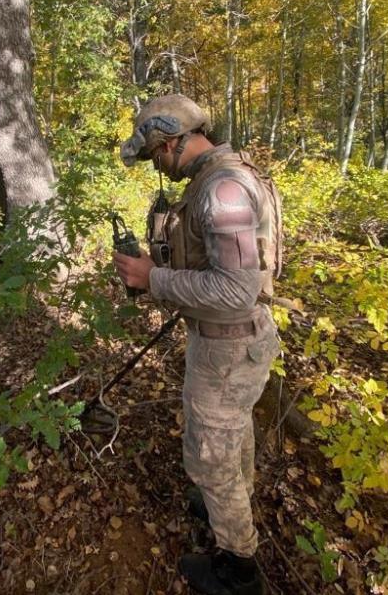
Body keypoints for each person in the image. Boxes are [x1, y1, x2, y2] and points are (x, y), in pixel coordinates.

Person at [113, 95, 280, 595]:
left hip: (228, 348)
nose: (159, 168)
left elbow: (235, 290)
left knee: (211, 454)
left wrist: (153, 278)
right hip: (230, 345)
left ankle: (238, 568)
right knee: (230, 439)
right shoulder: (226, 177)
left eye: (155, 157)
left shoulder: (222, 190)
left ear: (170, 142)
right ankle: (226, 499)